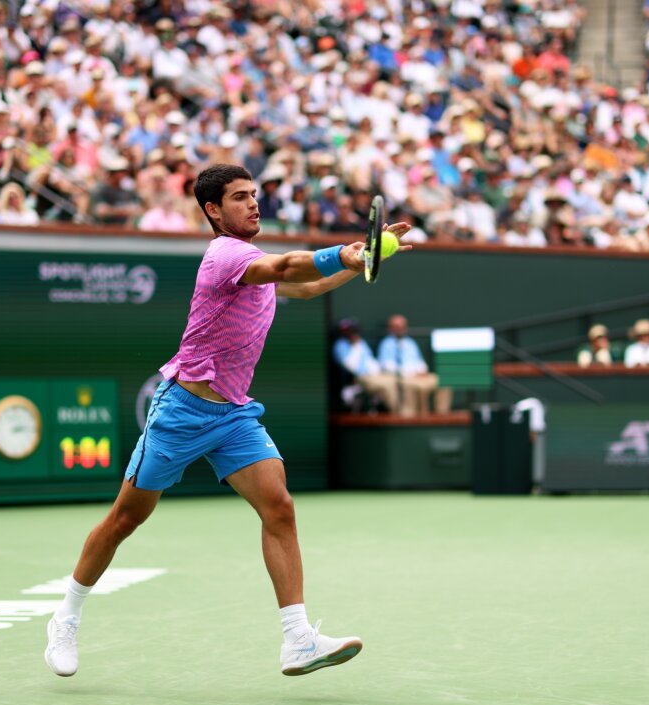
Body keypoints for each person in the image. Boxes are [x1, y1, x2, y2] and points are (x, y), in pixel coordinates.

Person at [44, 164, 412, 679]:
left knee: (279, 507)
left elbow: (303, 288)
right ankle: (66, 616)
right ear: (213, 210)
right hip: (181, 410)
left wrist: (362, 259)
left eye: (255, 195)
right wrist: (346, 251)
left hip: (234, 414)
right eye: (240, 198)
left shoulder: (254, 262)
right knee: (126, 519)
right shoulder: (226, 255)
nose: (253, 204)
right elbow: (287, 268)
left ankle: (297, 639)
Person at [376, 314, 452, 416]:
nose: (400, 329)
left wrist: (422, 370)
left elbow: (420, 361)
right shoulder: (386, 344)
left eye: (402, 326)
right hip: (403, 377)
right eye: (397, 327)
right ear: (391, 328)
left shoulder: (410, 343)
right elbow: (387, 366)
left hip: (418, 375)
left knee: (443, 382)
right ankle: (408, 417)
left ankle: (442, 415)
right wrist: (411, 372)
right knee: (410, 385)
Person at [333, 318, 401, 414]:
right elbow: (350, 366)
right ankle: (395, 412)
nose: (352, 333)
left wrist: (377, 371)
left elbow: (369, 359)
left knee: (393, 380)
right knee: (387, 385)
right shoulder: (340, 345)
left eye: (354, 330)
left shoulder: (361, 342)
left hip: (373, 375)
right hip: (358, 378)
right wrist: (355, 347)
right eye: (349, 331)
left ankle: (397, 412)